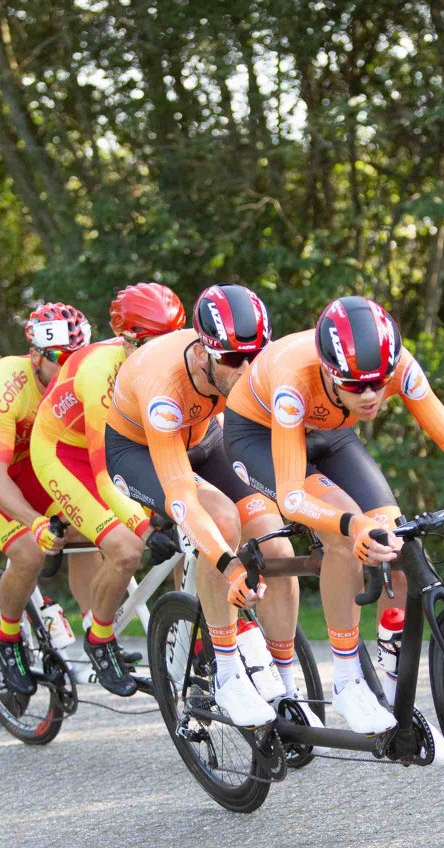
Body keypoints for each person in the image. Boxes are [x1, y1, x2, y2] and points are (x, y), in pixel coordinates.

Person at [223, 295, 444, 731]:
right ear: (330, 371)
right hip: (258, 434)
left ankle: (390, 691)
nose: (370, 396)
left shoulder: (397, 365)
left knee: (392, 540)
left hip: (331, 430)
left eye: (378, 383)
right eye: (356, 384)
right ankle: (347, 683)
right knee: (346, 534)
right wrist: (351, 525)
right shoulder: (295, 379)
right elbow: (291, 496)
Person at [104, 283, 296, 726]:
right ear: (203, 351)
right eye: (231, 359)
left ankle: (287, 685)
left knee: (277, 546)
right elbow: (183, 496)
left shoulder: (247, 364)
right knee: (221, 521)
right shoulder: (164, 385)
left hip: (206, 438)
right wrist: (228, 563)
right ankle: (228, 673)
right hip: (139, 452)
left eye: (254, 356)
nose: (246, 368)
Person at [26, 284, 187, 695]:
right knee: (127, 549)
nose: (165, 354)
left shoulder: (183, 360)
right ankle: (99, 637)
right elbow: (104, 472)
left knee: (190, 524)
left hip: (123, 445)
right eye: (153, 344)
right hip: (66, 453)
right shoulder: (100, 371)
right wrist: (146, 526)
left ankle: (193, 636)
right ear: (129, 341)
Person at [0, 302, 98, 694]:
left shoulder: (81, 380)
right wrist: (35, 521)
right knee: (29, 550)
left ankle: (98, 627)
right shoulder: (4, 387)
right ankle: (7, 636)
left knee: (93, 525)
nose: (70, 369)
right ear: (35, 355)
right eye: (61, 359)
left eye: (77, 358)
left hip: (28, 455)